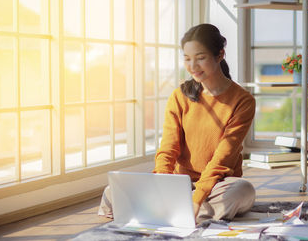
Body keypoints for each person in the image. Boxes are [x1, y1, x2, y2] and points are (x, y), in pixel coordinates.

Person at [99, 23, 256, 224]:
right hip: (178, 184)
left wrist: (197, 199)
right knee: (113, 191)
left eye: (200, 58)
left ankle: (166, 211)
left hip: (217, 184)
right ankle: (179, 211)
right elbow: (168, 147)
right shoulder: (179, 96)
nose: (193, 66)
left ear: (219, 55)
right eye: (187, 59)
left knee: (243, 191)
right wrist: (162, 187)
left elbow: (223, 159)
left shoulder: (243, 100)